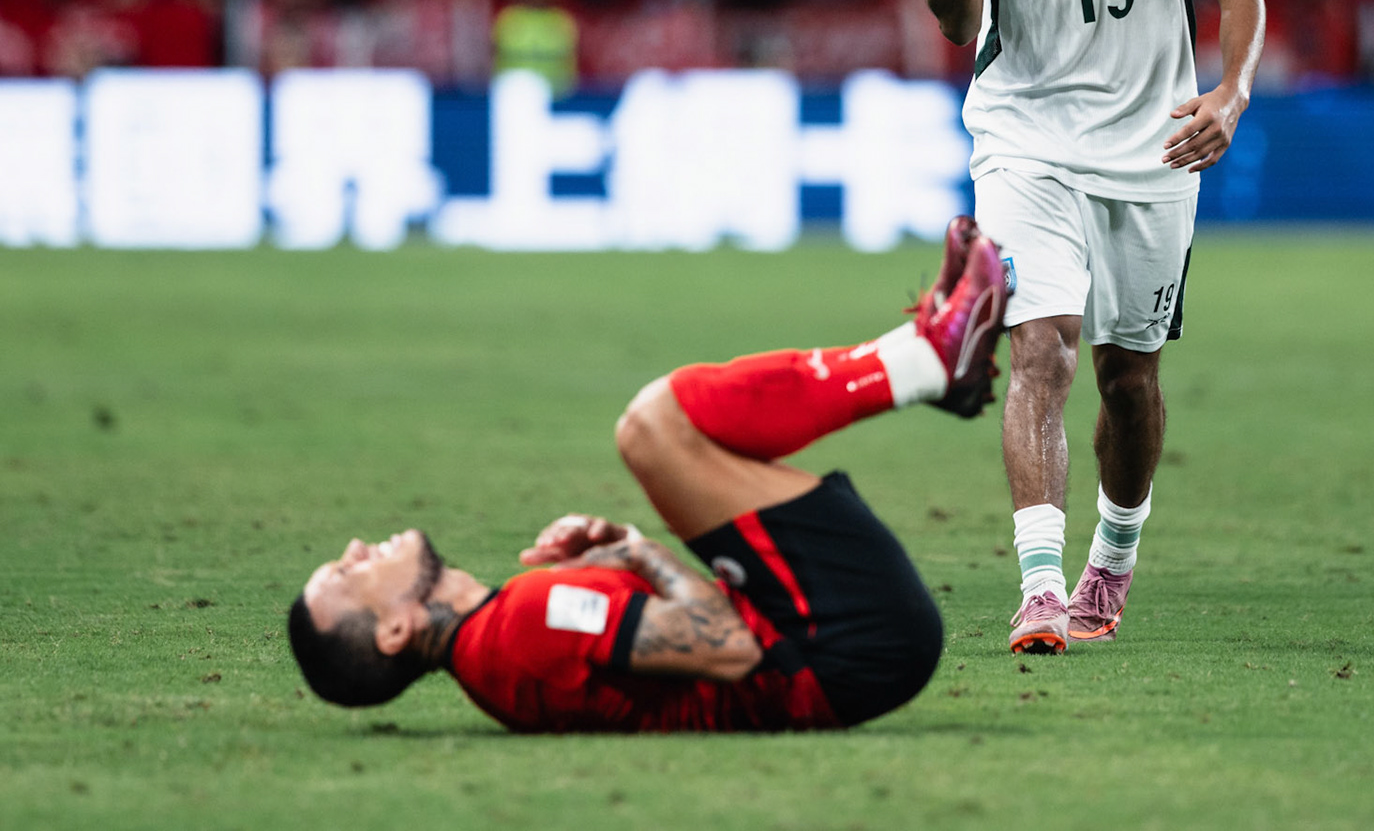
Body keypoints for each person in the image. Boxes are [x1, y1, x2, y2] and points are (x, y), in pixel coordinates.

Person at [287, 219, 1007, 732]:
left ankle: (927, 357)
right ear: (395, 631)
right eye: (346, 577)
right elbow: (732, 646)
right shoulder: (521, 629)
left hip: (846, 651)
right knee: (655, 427)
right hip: (842, 646)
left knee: (664, 429)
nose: (353, 549)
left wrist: (637, 551)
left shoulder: (503, 642)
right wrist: (642, 557)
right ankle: (927, 360)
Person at [910, 0, 1266, 654]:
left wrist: (1230, 95)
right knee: (1041, 345)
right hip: (1026, 141)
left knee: (1129, 378)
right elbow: (954, 21)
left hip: (1154, 146)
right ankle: (1037, 588)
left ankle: (1112, 556)